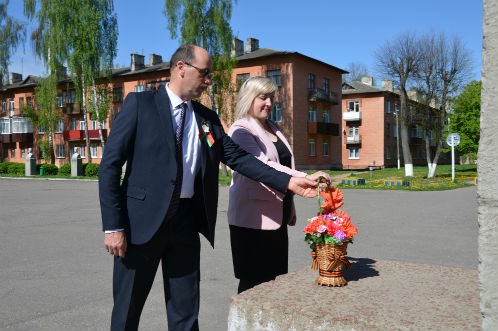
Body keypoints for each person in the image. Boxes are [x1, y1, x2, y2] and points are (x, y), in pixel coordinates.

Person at [98, 45, 320, 331]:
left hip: (186, 226)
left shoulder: (207, 119)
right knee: (127, 311)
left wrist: (289, 181)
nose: (209, 81)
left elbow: (240, 159)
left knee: (186, 312)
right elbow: (110, 166)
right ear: (181, 68)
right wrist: (113, 226)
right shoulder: (140, 105)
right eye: (204, 73)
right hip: (140, 227)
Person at [227, 76, 330, 294]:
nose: (269, 103)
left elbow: (284, 162)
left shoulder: (273, 127)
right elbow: (262, 165)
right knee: (253, 284)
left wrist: (291, 204)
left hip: (277, 214)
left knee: (274, 280)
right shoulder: (241, 130)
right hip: (251, 219)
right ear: (248, 98)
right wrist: (305, 177)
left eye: (271, 98)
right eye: (262, 97)